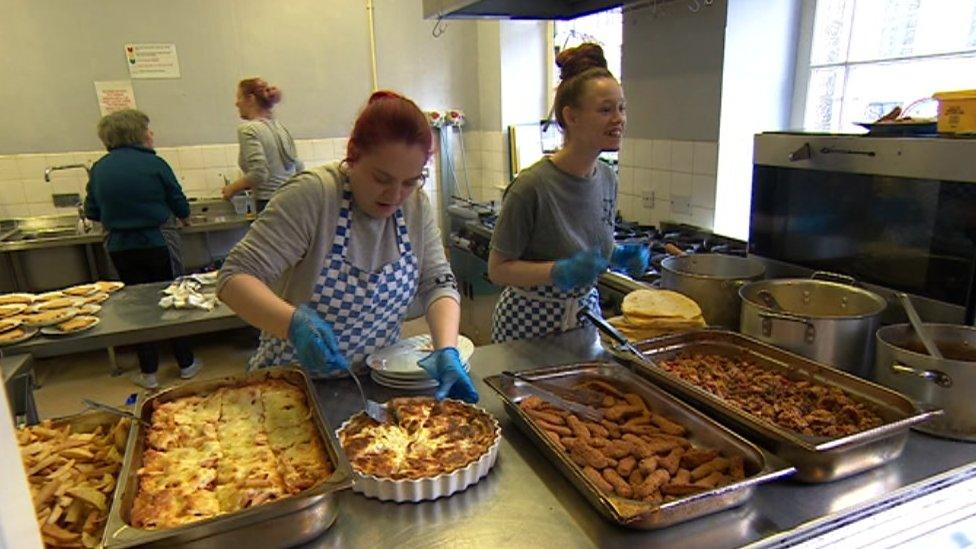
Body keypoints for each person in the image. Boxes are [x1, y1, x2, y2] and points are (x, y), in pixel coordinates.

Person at [217, 91, 477, 403]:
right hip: (290, 388)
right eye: (382, 178)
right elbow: (233, 278)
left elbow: (437, 282)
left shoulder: (416, 208)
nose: (395, 196)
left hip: (373, 385)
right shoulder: (314, 196)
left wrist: (446, 349)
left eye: (410, 182)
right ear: (353, 156)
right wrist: (292, 324)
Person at [487, 43, 648, 343]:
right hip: (527, 324)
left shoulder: (608, 178)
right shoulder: (531, 186)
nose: (619, 119)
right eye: (605, 110)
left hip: (585, 317)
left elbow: (594, 248)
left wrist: (616, 256)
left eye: (622, 108)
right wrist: (556, 271)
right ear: (571, 117)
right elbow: (498, 270)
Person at [84, 109, 201, 389]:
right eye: (148, 129)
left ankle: (148, 372)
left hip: (120, 246)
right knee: (173, 296)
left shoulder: (100, 168)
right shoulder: (155, 164)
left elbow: (92, 211)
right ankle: (185, 364)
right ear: (136, 134)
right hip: (158, 241)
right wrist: (184, 216)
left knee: (135, 307)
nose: (152, 134)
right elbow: (178, 201)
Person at [222, 78, 304, 212]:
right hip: (293, 203)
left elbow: (259, 173)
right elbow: (299, 166)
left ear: (250, 99)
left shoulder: (248, 129)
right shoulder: (280, 128)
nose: (236, 103)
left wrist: (232, 188)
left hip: (270, 204)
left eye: (239, 98)